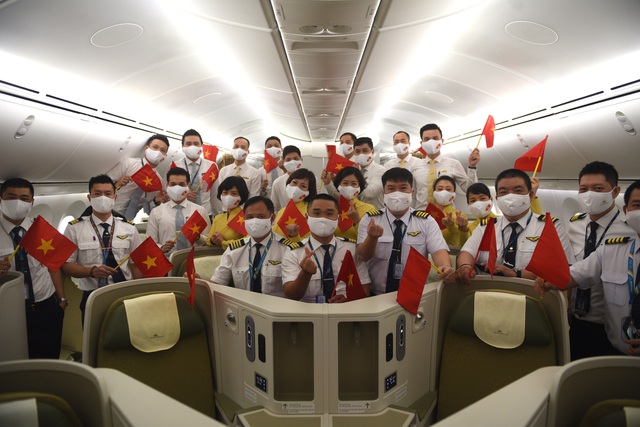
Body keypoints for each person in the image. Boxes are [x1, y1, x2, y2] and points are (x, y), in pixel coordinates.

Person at [535, 180, 640, 356]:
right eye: (637, 205)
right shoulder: (612, 249)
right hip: (616, 352)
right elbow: (576, 274)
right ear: (626, 210)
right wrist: (549, 278)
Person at [455, 168, 575, 284]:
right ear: (497, 199)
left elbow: (563, 271)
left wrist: (517, 274)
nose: (510, 197)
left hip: (533, 294)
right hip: (489, 292)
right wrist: (465, 266)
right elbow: (467, 252)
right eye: (503, 192)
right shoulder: (486, 227)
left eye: (518, 191)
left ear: (531, 195)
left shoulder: (550, 227)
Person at [566, 161, 635, 360]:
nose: (589, 194)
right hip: (576, 322)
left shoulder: (630, 228)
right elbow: (571, 266)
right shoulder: (575, 224)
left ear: (615, 192)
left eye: (598, 189)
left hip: (613, 327)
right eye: (583, 189)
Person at [357, 168, 455, 295]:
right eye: (391, 188)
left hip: (413, 294)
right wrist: (372, 238)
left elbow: (439, 252)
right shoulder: (370, 219)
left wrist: (446, 267)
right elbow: (363, 256)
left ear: (412, 193)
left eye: (403, 188)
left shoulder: (426, 221)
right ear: (383, 194)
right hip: (376, 294)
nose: (397, 193)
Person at [62, 175, 143, 325]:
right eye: (97, 194)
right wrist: (91, 271)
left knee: (126, 334)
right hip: (92, 295)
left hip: (124, 291)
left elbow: (136, 265)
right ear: (89, 198)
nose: (103, 198)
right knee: (93, 336)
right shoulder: (74, 228)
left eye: (108, 193)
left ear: (115, 197)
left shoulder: (129, 228)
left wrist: (139, 294)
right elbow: (66, 265)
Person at [0, 178, 65, 359]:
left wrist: (61, 300)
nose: (17, 202)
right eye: (11, 197)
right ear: (1, 199)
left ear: (32, 202)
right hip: (7, 310)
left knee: (48, 359)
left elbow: (53, 265)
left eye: (24, 198)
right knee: (13, 361)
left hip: (44, 306)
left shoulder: (40, 229)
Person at [282, 194, 371, 303]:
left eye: (329, 214)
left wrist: (348, 300)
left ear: (338, 219)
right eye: (317, 213)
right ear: (306, 218)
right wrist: (305, 274)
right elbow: (290, 295)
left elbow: (365, 290)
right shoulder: (294, 252)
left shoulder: (352, 249)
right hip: (308, 312)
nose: (323, 218)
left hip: (345, 311)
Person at [210, 196, 292, 297]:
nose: (255, 221)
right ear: (244, 218)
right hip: (243, 305)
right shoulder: (234, 250)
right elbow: (217, 283)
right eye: (250, 217)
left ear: (272, 218)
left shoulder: (286, 249)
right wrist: (201, 283)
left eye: (260, 216)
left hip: (276, 306)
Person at [413, 123, 480, 210]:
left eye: (435, 138)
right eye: (427, 139)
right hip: (421, 214)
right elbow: (413, 195)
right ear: (422, 143)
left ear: (442, 141)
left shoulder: (453, 164)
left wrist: (472, 167)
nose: (431, 142)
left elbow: (470, 190)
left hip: (447, 216)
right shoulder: (415, 166)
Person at [146, 167, 211, 255]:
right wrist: (162, 247)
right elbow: (150, 243)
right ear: (167, 185)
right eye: (173, 184)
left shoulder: (200, 211)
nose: (177, 188)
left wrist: (198, 238)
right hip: (167, 259)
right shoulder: (156, 212)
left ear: (188, 186)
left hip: (194, 259)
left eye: (181, 184)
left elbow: (208, 241)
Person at [107, 134, 170, 220]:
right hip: (108, 212)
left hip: (128, 221)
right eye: (155, 147)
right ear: (146, 148)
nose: (158, 152)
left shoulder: (159, 182)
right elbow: (100, 184)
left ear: (164, 156)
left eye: (162, 150)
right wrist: (117, 184)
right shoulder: (128, 164)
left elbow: (148, 210)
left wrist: (156, 201)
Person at [324, 137, 385, 209]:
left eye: (365, 150)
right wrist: (328, 183)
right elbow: (343, 197)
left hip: (374, 212)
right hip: (353, 212)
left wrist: (358, 175)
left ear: (372, 152)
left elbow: (369, 194)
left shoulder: (380, 170)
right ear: (354, 153)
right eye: (358, 151)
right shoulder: (351, 171)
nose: (361, 154)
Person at [210, 136, 261, 215]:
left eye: (243, 147)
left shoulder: (255, 173)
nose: (239, 149)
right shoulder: (224, 170)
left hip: (244, 213)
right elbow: (220, 193)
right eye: (236, 146)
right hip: (226, 212)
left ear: (248, 151)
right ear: (232, 149)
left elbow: (253, 197)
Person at [179, 129, 216, 216]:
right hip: (183, 214)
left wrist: (218, 215)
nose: (192, 147)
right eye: (188, 144)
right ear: (182, 146)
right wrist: (182, 196)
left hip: (205, 214)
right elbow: (169, 193)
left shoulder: (211, 166)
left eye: (196, 144)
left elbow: (215, 194)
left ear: (201, 146)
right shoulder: (175, 166)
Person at [273, 169, 317, 242]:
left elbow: (308, 242)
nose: (296, 188)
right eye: (294, 182)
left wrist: (294, 237)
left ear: (308, 192)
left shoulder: (310, 213)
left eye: (303, 186)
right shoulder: (282, 211)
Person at [332, 167, 375, 241]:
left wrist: (357, 219)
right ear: (338, 185)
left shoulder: (369, 209)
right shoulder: (332, 208)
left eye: (354, 184)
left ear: (359, 187)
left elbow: (370, 238)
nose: (349, 187)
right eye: (345, 183)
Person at [207, 176, 249, 250]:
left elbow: (247, 241)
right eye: (225, 193)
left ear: (241, 196)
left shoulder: (247, 217)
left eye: (234, 193)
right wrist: (212, 241)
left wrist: (224, 243)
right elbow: (208, 241)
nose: (228, 197)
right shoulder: (218, 218)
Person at [271, 145, 304, 211]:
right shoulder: (278, 183)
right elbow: (275, 208)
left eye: (295, 159)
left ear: (301, 160)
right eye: (288, 160)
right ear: (283, 162)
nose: (292, 162)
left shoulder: (312, 179)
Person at [259, 136, 286, 200]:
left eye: (276, 146)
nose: (273, 148)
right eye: (269, 146)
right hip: (267, 203)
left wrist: (285, 170)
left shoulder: (286, 167)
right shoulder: (260, 171)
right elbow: (257, 194)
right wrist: (262, 189)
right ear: (265, 150)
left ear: (281, 149)